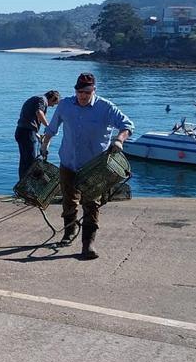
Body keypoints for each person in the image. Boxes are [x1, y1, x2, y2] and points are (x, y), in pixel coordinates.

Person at [38, 72, 133, 260]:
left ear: (93, 91)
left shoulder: (106, 108)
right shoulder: (65, 105)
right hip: (68, 162)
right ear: (75, 90)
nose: (82, 95)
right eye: (79, 91)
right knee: (69, 200)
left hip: (95, 167)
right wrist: (45, 144)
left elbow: (127, 125)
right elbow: (52, 128)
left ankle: (88, 244)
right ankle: (69, 232)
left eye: (86, 92)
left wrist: (119, 140)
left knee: (91, 204)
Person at [15, 90, 61, 179]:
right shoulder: (42, 100)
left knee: (24, 161)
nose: (52, 106)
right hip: (27, 133)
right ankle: (28, 186)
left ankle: (22, 184)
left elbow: (28, 120)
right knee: (31, 162)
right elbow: (39, 112)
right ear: (52, 98)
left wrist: (36, 134)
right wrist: (48, 126)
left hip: (21, 131)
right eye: (54, 103)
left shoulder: (35, 99)